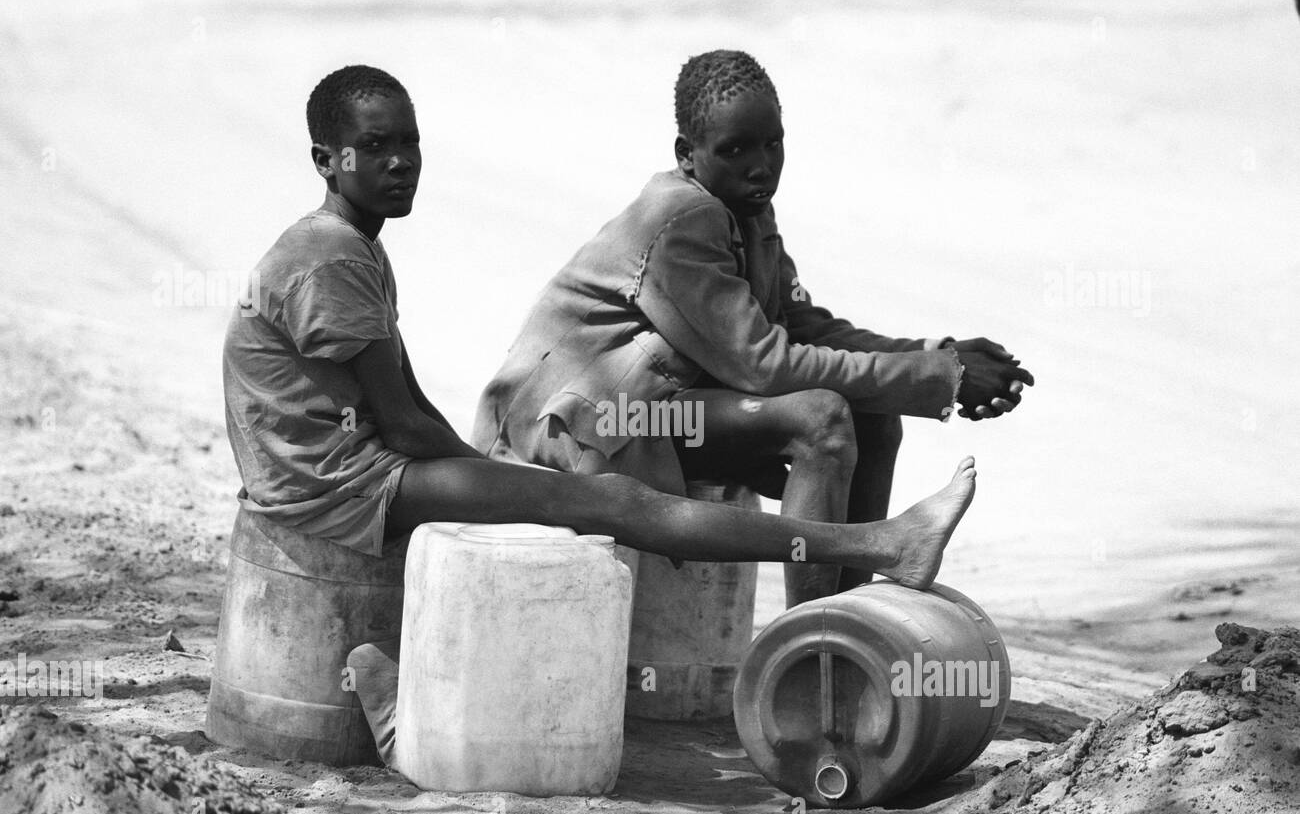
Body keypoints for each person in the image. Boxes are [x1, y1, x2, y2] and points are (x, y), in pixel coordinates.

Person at [221, 64, 978, 594]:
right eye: (376, 147)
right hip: (338, 494)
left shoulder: (350, 246)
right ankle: (879, 550)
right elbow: (405, 425)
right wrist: (502, 487)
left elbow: (406, 411)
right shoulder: (329, 259)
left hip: (355, 474)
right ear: (326, 159)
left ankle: (860, 585)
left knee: (630, 499)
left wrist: (929, 359)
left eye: (409, 143)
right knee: (614, 505)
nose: (399, 163)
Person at [473, 49, 1032, 605]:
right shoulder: (683, 220)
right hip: (581, 426)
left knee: (874, 417)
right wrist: (942, 376)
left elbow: (805, 326)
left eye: (772, 142)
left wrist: (940, 355)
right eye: (734, 150)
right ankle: (810, 639)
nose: (759, 164)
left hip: (656, 410)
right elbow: (764, 364)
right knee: (821, 418)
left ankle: (848, 617)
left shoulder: (747, 209)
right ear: (686, 155)